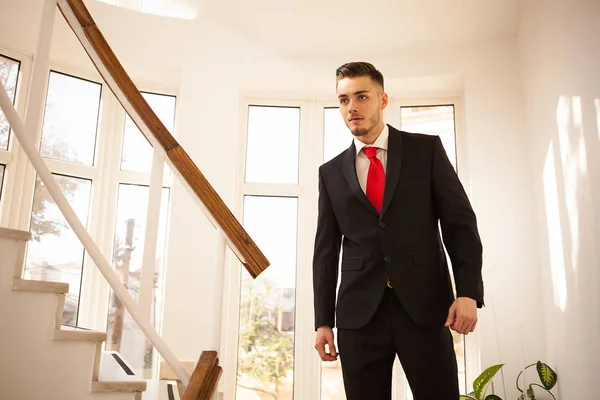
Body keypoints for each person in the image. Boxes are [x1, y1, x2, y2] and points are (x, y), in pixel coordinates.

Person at [312, 61, 484, 399]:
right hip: (358, 317)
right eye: (344, 100)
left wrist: (467, 292)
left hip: (424, 307)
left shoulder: (426, 150)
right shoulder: (330, 173)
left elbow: (460, 224)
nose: (352, 107)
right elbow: (326, 250)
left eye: (361, 97)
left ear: (382, 99)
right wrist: (322, 321)